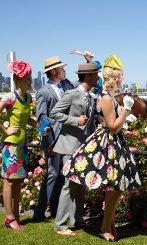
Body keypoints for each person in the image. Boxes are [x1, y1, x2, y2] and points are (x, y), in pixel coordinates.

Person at [61, 54, 141, 242]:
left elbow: (116, 124)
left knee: (117, 187)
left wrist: (125, 117)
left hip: (115, 143)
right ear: (114, 76)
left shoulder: (110, 97)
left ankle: (109, 223)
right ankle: (105, 226)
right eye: (121, 75)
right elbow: (112, 126)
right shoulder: (106, 97)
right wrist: (127, 111)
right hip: (109, 144)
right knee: (114, 187)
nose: (123, 78)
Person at [0, 61, 49, 229]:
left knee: (18, 181)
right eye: (28, 79)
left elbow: (27, 119)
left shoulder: (28, 98)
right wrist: (5, 131)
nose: (31, 81)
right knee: (9, 181)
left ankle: (15, 215)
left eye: (30, 78)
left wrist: (41, 126)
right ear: (18, 80)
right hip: (11, 145)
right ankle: (9, 216)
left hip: (22, 144)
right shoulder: (10, 97)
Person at [34, 53, 92, 222]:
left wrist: (87, 62)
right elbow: (42, 119)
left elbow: (83, 83)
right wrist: (50, 143)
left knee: (62, 175)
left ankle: (55, 210)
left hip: (67, 138)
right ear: (53, 72)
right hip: (52, 140)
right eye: (61, 68)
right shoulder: (43, 92)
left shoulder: (67, 85)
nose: (64, 70)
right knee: (52, 174)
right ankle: (39, 212)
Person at [51, 62, 98, 236]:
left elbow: (91, 124)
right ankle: (60, 225)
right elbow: (54, 113)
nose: (98, 77)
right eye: (96, 75)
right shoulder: (71, 94)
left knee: (81, 184)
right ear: (88, 76)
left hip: (85, 147)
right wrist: (74, 120)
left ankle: (77, 219)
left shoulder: (91, 97)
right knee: (69, 185)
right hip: (70, 146)